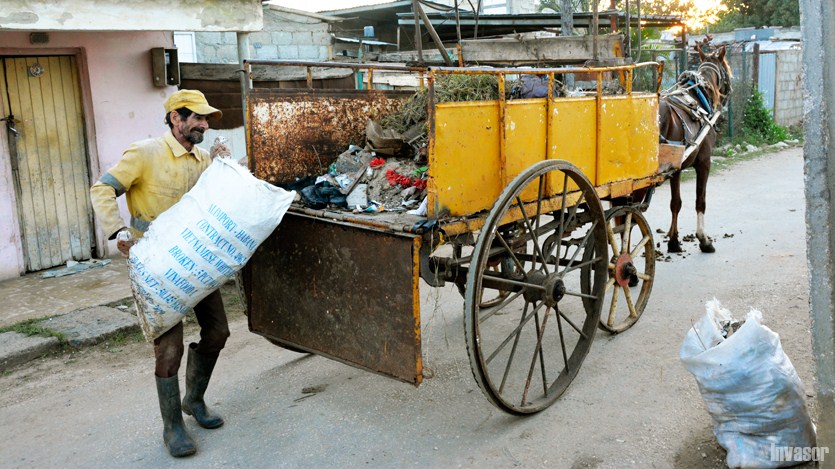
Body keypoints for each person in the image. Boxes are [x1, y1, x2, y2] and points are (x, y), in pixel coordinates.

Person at [90, 89, 231, 458]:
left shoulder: (202, 158)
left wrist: (223, 167)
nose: (204, 124)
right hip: (155, 264)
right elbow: (102, 188)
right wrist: (117, 230)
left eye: (206, 119)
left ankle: (194, 401)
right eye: (197, 118)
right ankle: (172, 427)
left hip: (195, 262)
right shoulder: (145, 152)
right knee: (169, 348)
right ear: (175, 119)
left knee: (218, 331)